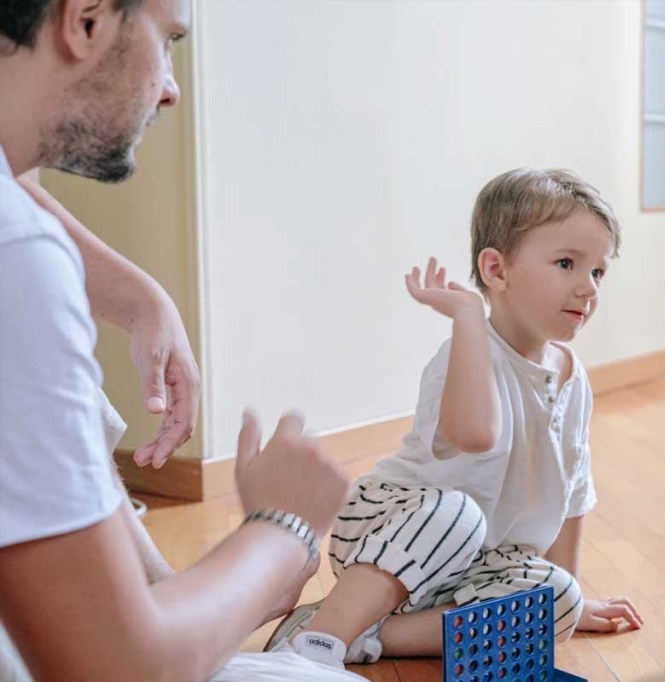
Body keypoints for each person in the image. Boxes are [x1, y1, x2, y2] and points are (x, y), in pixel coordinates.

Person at [0, 1, 361, 679]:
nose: (168, 87)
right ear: (86, 21)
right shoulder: (17, 257)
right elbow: (120, 669)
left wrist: (141, 300)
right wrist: (283, 531)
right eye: (166, 41)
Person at [264, 168, 643, 668]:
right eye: (567, 264)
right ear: (496, 270)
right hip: (397, 535)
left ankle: (366, 635)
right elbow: (476, 433)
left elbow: (574, 491)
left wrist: (570, 595)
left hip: (477, 568)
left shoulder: (573, 379)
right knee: (459, 515)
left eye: (598, 271)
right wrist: (467, 316)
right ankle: (320, 640)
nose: (588, 288)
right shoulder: (465, 354)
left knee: (558, 604)